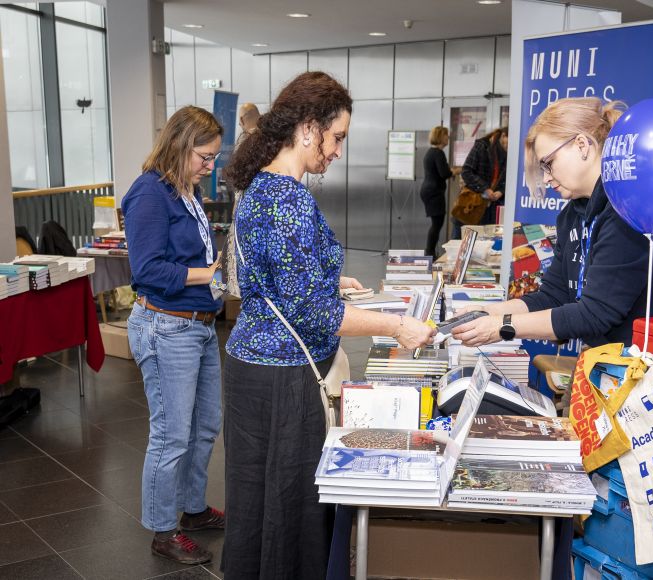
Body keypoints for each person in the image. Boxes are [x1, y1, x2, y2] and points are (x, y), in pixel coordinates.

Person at [221, 71, 434, 579]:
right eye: (337, 137)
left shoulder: (261, 188)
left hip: (252, 368)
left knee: (255, 500)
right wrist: (396, 327)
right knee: (292, 507)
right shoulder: (289, 200)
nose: (337, 151)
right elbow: (311, 314)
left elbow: (271, 280)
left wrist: (327, 283)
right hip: (284, 380)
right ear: (308, 128)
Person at [453, 97, 653, 349]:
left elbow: (596, 313)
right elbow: (553, 295)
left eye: (548, 164)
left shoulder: (630, 208)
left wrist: (502, 327)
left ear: (582, 145)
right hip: (610, 359)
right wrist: (486, 312)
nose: (547, 178)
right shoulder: (572, 215)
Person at [122, 106, 226, 565]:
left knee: (204, 426)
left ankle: (193, 508)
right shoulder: (149, 193)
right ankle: (164, 531)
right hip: (166, 326)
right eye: (205, 156)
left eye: (213, 158)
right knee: (171, 436)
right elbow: (146, 270)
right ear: (181, 145)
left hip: (198, 326)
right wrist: (206, 276)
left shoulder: (187, 191)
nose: (210, 166)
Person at [452, 126, 509, 238]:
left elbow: (508, 180)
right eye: (510, 141)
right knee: (460, 240)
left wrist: (500, 192)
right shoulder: (482, 146)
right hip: (471, 204)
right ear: (503, 136)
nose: (510, 146)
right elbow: (466, 171)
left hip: (490, 208)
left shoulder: (509, 155)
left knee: (484, 241)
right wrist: (485, 188)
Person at [421, 125, 459, 257]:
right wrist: (455, 171)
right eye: (445, 135)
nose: (447, 138)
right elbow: (444, 173)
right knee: (437, 224)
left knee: (436, 223)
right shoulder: (438, 153)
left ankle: (430, 252)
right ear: (440, 137)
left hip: (430, 191)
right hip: (434, 192)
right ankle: (429, 253)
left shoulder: (431, 152)